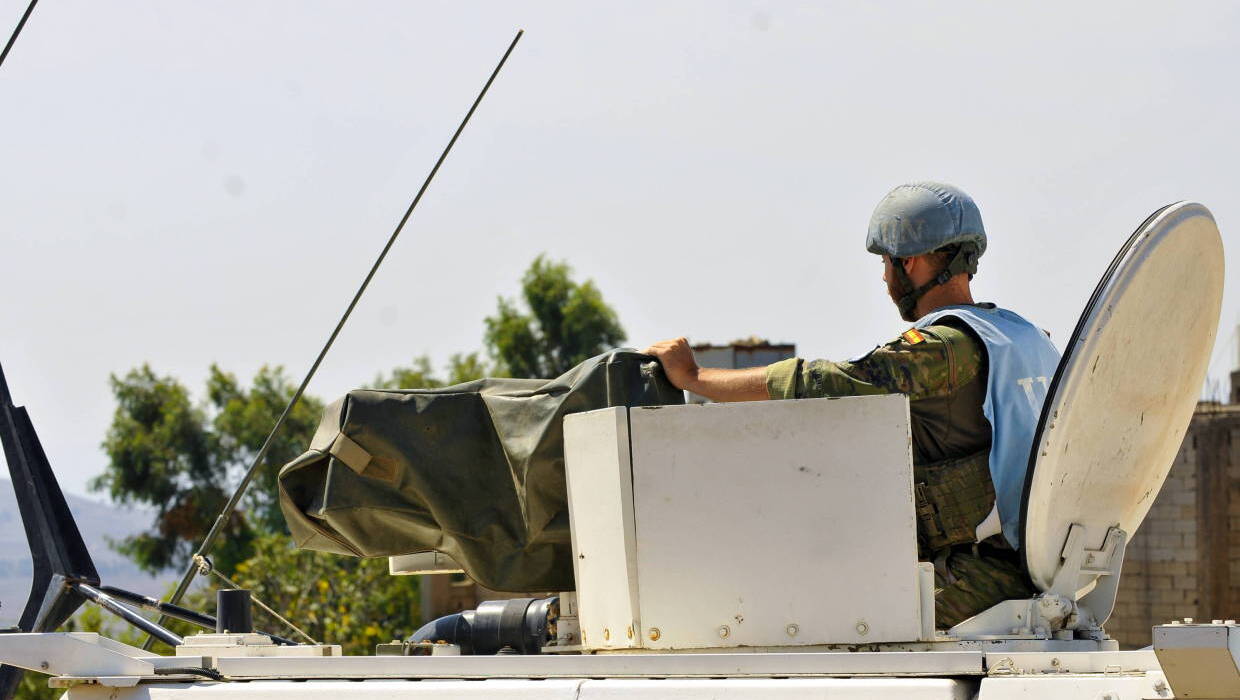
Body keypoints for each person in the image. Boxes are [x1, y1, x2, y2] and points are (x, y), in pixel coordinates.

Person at [642, 182, 1061, 628]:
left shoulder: (943, 348)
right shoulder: (1024, 335)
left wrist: (696, 378)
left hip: (987, 573)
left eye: (886, 263)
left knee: (821, 627)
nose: (884, 278)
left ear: (910, 262)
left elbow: (826, 382)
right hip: (1041, 562)